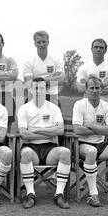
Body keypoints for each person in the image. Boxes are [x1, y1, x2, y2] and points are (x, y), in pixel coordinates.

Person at [72, 76, 108, 207]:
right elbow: (77, 130)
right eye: (91, 88)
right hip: (82, 145)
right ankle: (93, 195)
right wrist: (101, 129)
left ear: (101, 90)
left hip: (102, 145)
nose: (94, 91)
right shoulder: (79, 104)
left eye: (97, 88)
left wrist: (91, 126)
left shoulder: (107, 106)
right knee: (91, 151)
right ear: (86, 90)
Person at [17, 77, 71, 209]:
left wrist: (37, 129)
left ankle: (59, 194)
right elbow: (24, 134)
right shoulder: (24, 109)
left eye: (41, 88)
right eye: (35, 88)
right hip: (31, 147)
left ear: (46, 90)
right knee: (26, 154)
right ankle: (30, 194)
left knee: (65, 152)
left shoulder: (54, 108)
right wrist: (49, 131)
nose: (38, 91)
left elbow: (60, 130)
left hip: (49, 148)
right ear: (30, 89)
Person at [77, 38, 108, 121]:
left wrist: (89, 87)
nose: (98, 49)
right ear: (91, 49)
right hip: (87, 106)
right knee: (86, 132)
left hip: (107, 105)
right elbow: (80, 88)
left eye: (101, 47)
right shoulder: (84, 68)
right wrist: (103, 86)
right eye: (96, 47)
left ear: (105, 50)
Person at [23, 31, 65, 107]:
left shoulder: (57, 60)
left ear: (48, 42)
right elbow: (30, 83)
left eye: (44, 42)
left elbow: (61, 79)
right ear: (35, 44)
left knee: (56, 118)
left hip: (52, 97)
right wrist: (52, 77)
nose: (41, 45)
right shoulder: (29, 62)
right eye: (39, 42)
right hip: (34, 97)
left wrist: (39, 79)